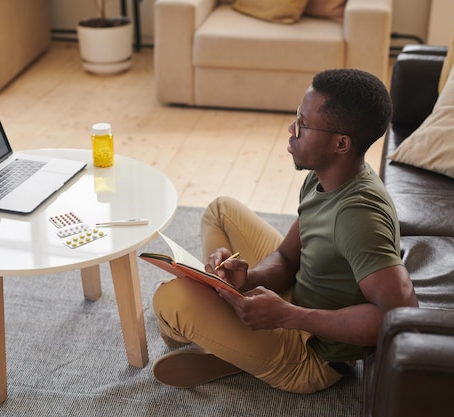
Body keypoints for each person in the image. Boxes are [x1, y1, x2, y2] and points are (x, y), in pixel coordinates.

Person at [151, 68, 419, 394]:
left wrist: (289, 316)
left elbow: (398, 314)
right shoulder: (325, 178)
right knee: (221, 211)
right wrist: (246, 280)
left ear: (341, 143)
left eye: (304, 124)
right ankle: (235, 343)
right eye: (297, 116)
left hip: (314, 356)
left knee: (170, 297)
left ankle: (232, 348)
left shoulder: (357, 217)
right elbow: (287, 257)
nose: (292, 129)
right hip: (298, 299)